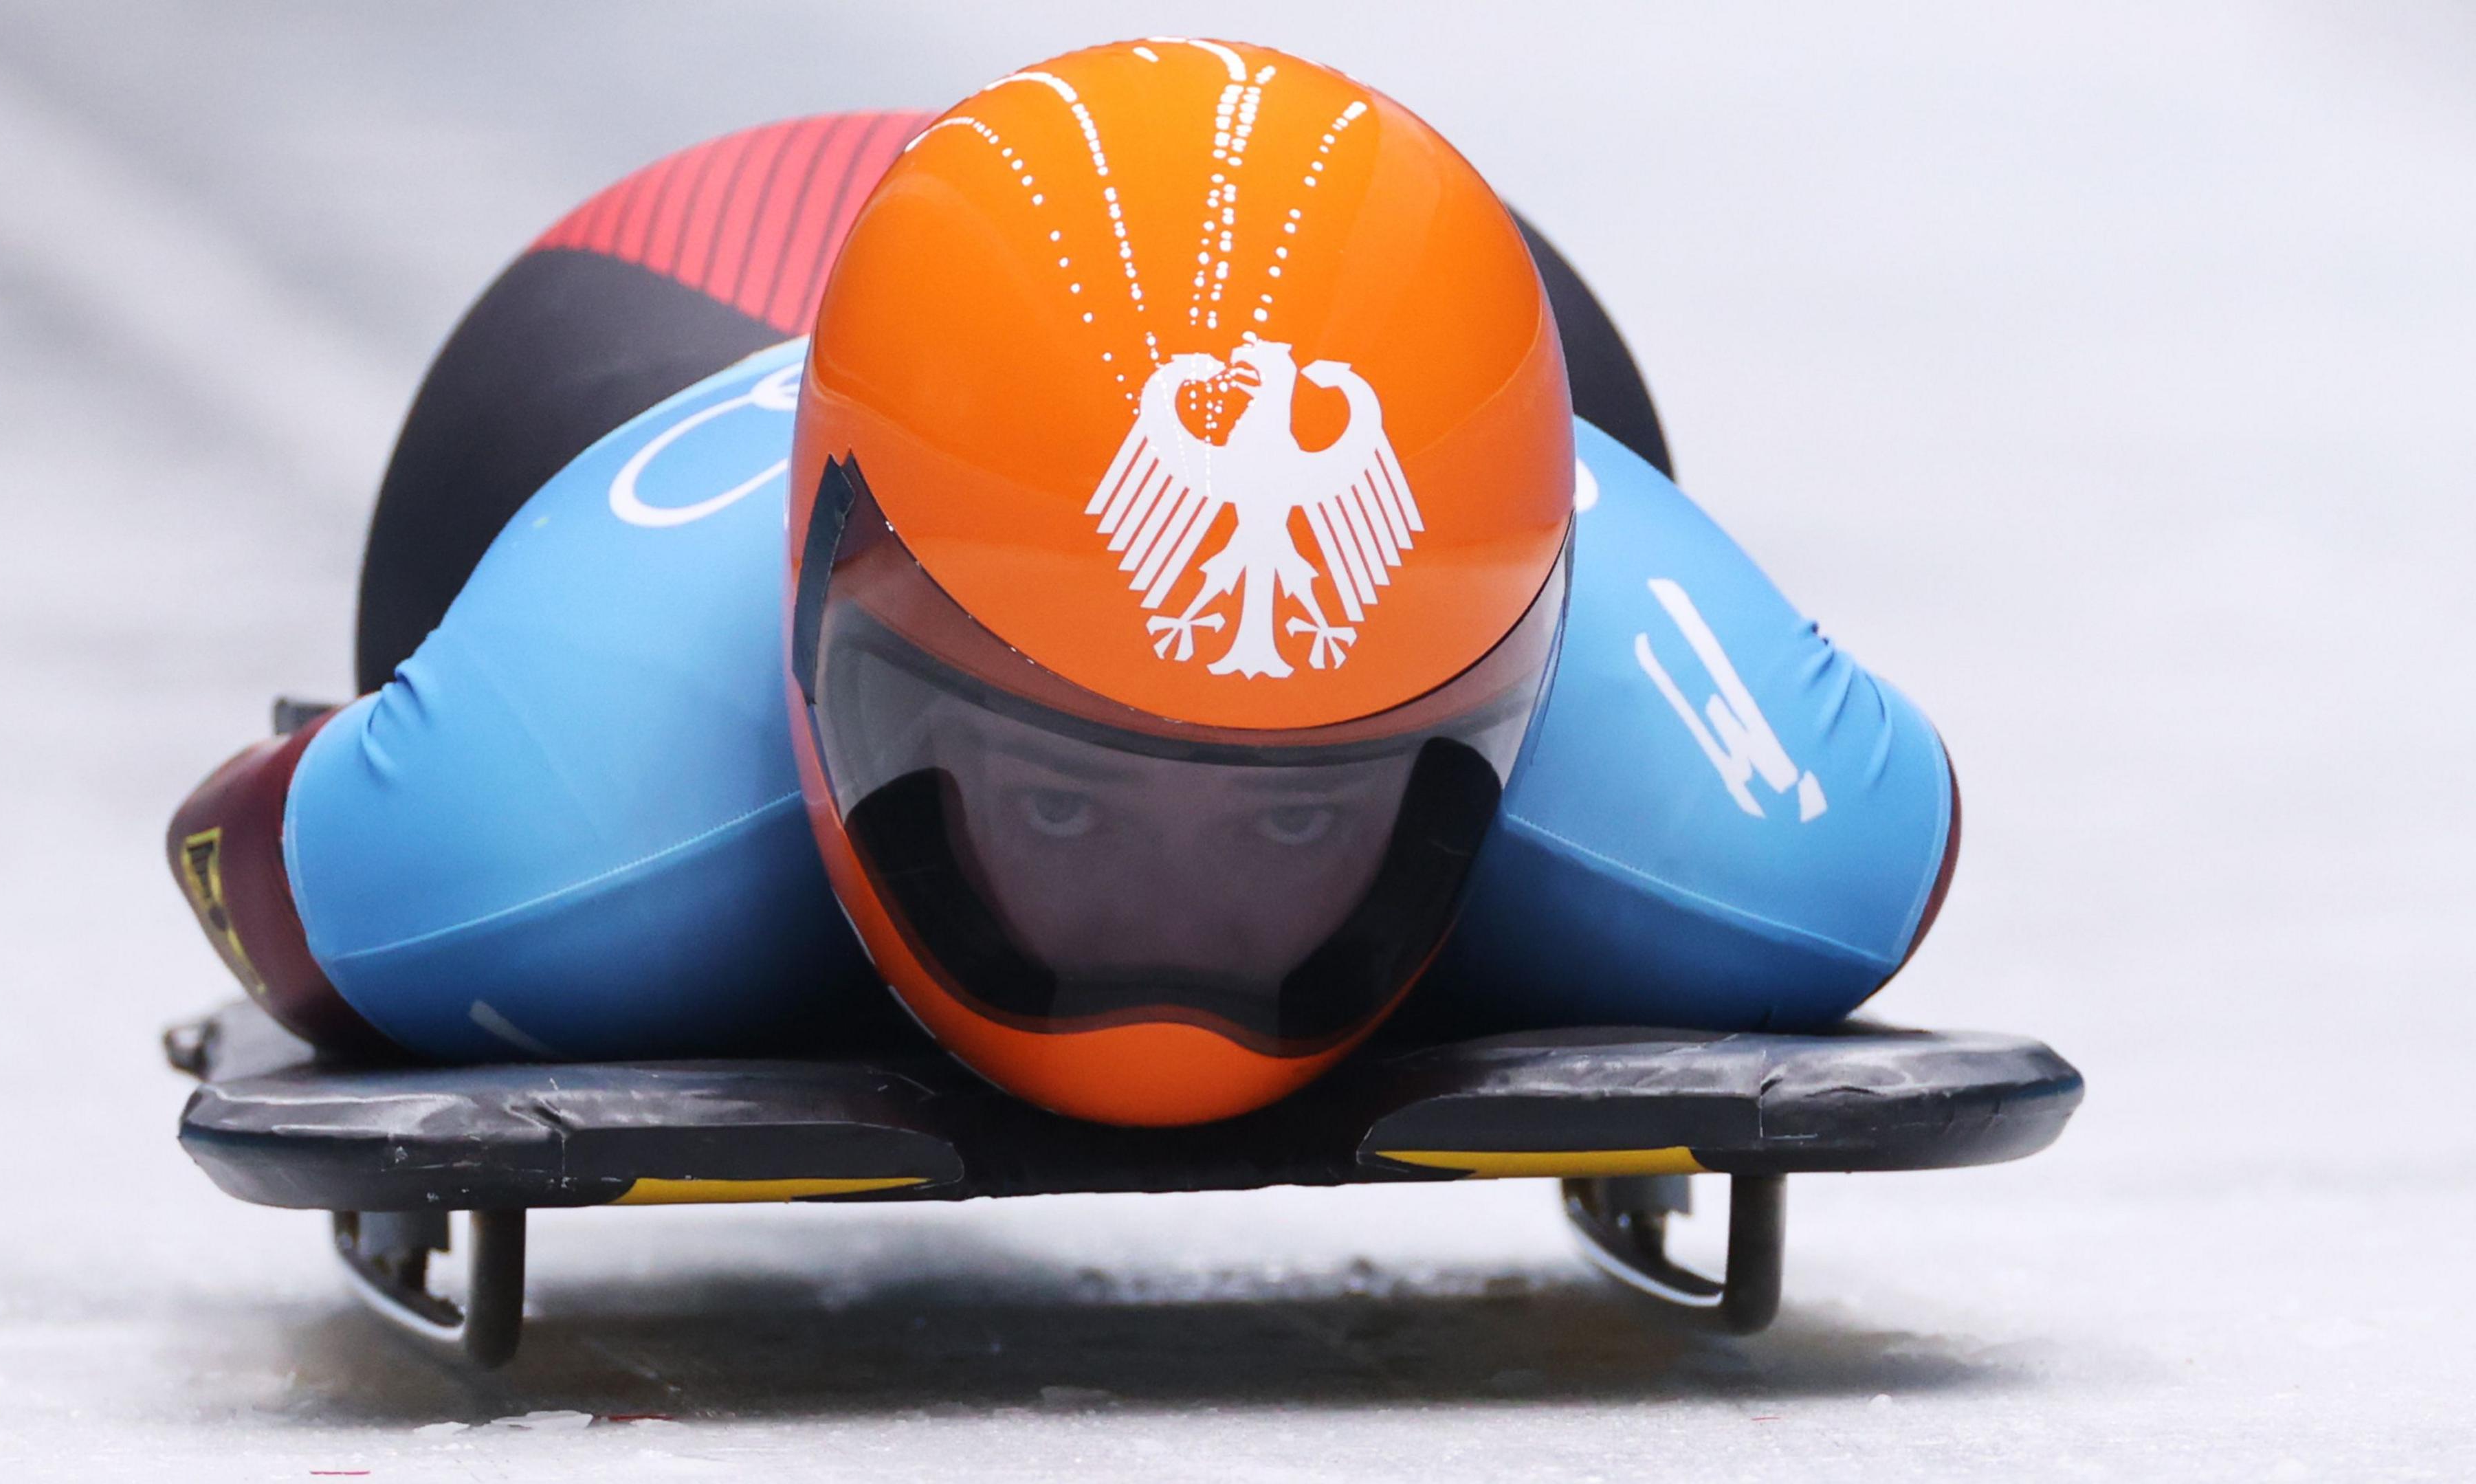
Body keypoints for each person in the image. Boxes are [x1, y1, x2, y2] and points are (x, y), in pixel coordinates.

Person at [168, 38, 1958, 1127]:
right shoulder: (537, 809)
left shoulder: (1758, 832)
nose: (1166, 954)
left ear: (1514, 692)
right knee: (468, 518)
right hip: (691, 286)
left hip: (1425, 387)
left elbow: (243, 848)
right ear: (816, 648)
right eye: (1060, 798)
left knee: (1559, 360)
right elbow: (274, 845)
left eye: (1289, 821)